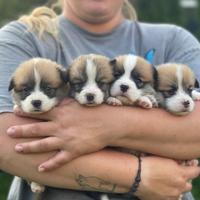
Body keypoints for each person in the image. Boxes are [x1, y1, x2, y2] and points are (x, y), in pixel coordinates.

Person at [0, 0, 200, 200]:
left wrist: (106, 126)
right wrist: (139, 176)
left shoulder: (174, 39)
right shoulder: (21, 37)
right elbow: (6, 143)